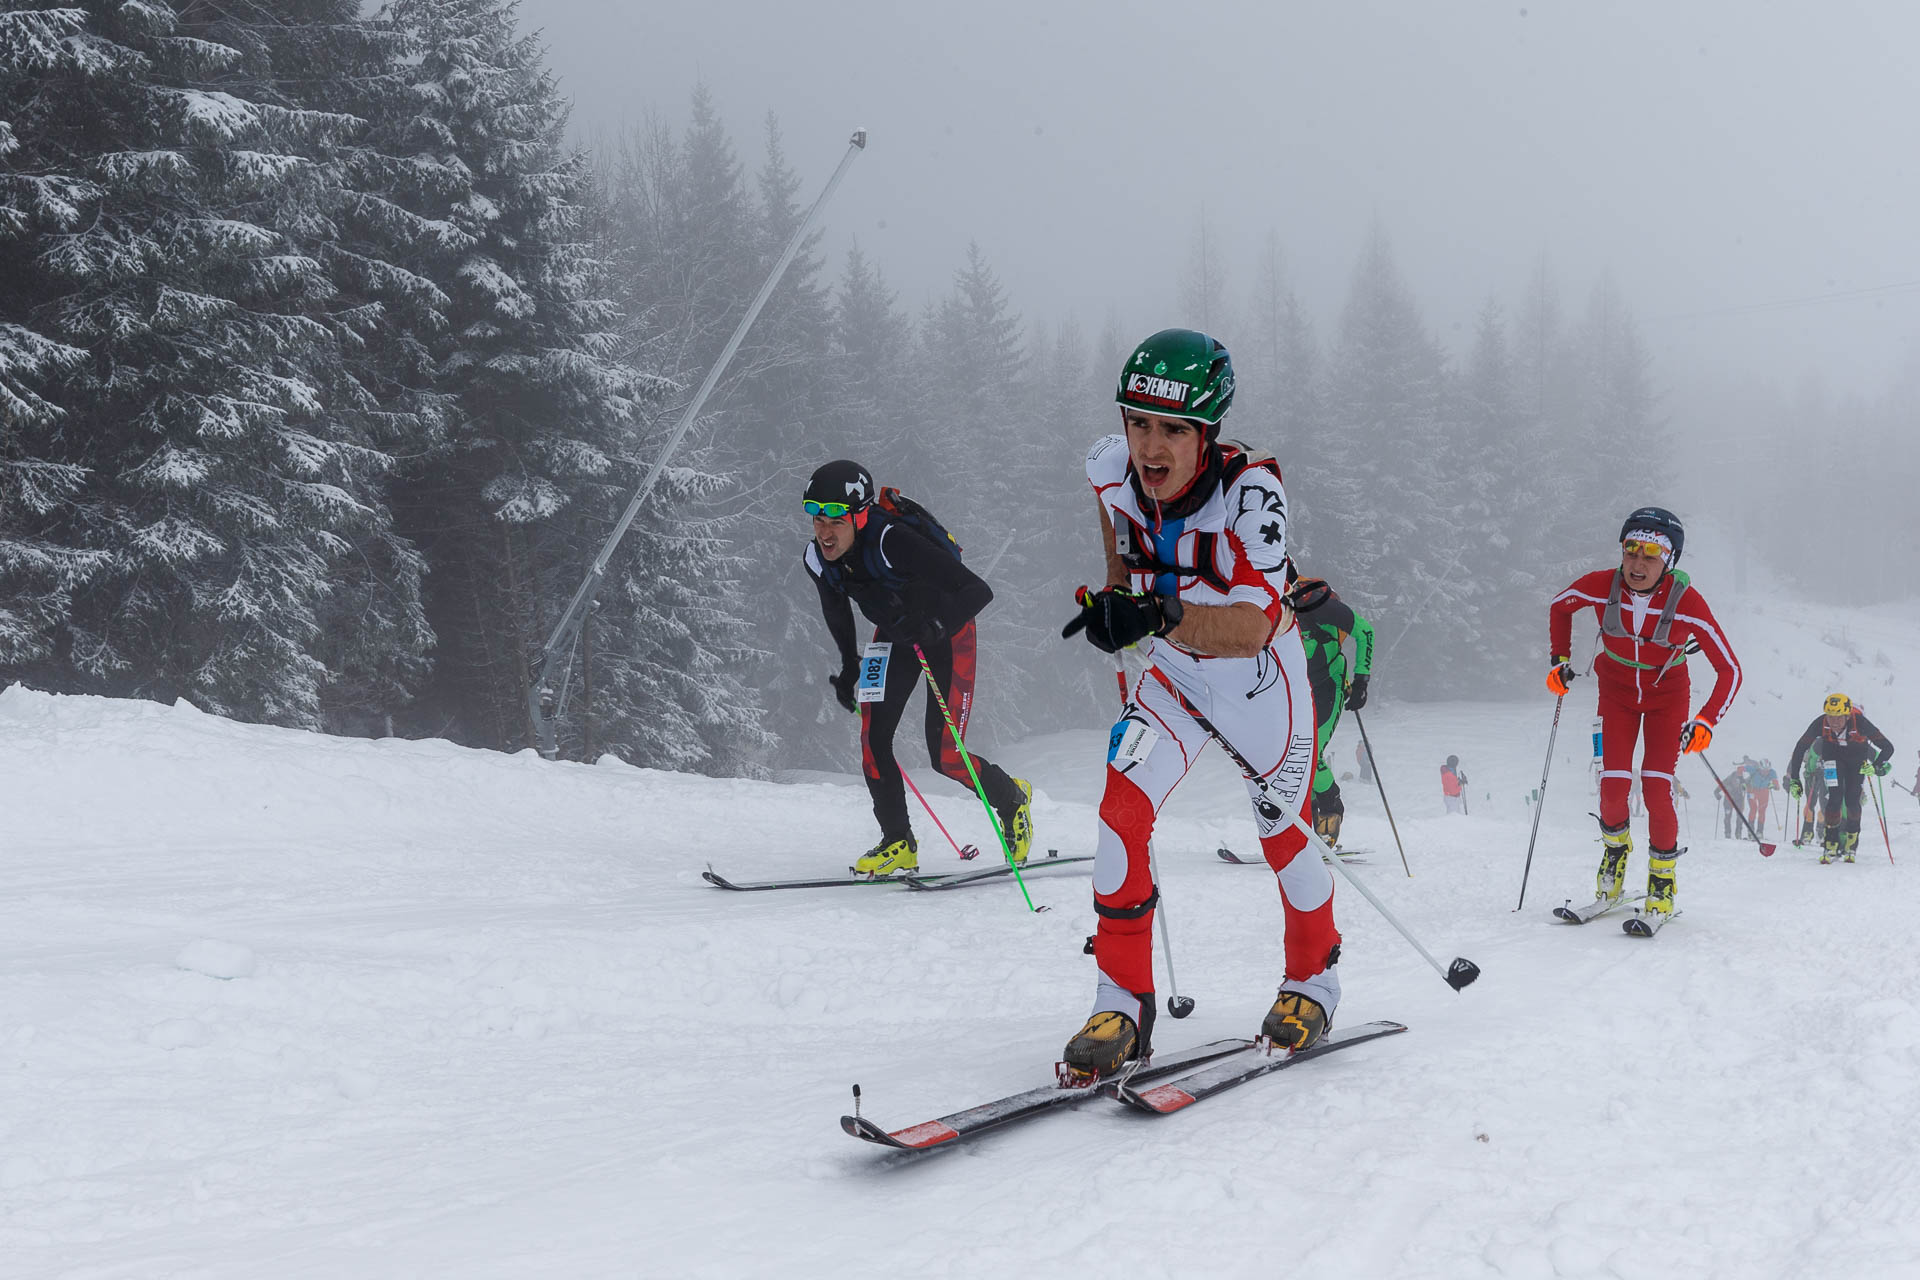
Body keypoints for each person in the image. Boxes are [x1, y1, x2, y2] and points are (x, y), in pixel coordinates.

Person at [1058, 327, 1338, 1079]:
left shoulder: (1252, 496)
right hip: (1174, 678)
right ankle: (1121, 1000)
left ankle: (1312, 980)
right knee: (1121, 811)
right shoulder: (1109, 468)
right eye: (1138, 422)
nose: (1151, 447)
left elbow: (1250, 628)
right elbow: (1120, 546)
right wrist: (1114, 602)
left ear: (1207, 433)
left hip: (1258, 683)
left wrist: (1154, 617)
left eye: (1174, 429)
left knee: (1282, 833)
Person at [802, 460, 1032, 876]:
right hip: (893, 636)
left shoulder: (894, 542)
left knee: (944, 755)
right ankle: (898, 843)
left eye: (835, 519)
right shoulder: (818, 559)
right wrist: (849, 663)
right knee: (873, 740)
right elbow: (836, 610)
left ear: (859, 515)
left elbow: (977, 590)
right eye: (817, 518)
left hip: (949, 633)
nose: (824, 532)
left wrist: (935, 626)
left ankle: (1013, 798)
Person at [1548, 507, 1742, 915]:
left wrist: (1706, 720)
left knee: (1656, 787)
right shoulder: (1602, 585)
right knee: (1612, 787)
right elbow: (1559, 606)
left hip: (1666, 699)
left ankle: (1662, 881)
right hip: (1616, 694)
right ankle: (1615, 856)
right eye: (1630, 551)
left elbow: (1730, 669)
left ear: (1668, 561)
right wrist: (1558, 660)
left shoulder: (1687, 603)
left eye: (1650, 555)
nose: (1637, 564)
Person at [1286, 573, 1375, 847]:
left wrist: (1361, 681)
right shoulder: (1267, 605)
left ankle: (1330, 802)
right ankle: (1307, 829)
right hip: (1296, 691)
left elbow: (1365, 631)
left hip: (1329, 687)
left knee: (1310, 754)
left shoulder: (1317, 604)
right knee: (1291, 759)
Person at [1785, 693, 1893, 864]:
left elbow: (1888, 747)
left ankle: (1851, 843)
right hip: (1832, 759)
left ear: (1848, 715)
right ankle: (1831, 844)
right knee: (1834, 798)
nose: (1834, 722)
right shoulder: (1820, 723)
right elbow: (1800, 748)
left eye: (1838, 718)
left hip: (1856, 762)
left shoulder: (1861, 723)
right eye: (1830, 717)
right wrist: (1795, 778)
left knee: (1852, 799)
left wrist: (1877, 766)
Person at [1742, 758, 1778, 841]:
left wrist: (1774, 786)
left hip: (1764, 791)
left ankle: (1759, 832)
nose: (1765, 772)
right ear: (1759, 768)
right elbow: (1740, 769)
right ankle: (1750, 832)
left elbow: (1777, 785)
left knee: (1762, 811)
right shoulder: (1754, 769)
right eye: (1763, 770)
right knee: (1753, 809)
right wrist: (1741, 780)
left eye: (1767, 770)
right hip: (1752, 790)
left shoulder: (1772, 772)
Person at [1720, 761, 1749, 839]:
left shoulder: (1743, 779)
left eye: (1741, 772)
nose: (1740, 774)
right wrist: (1717, 792)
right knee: (1728, 816)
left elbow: (1748, 786)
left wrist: (1746, 787)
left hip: (1739, 800)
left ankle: (1738, 833)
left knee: (1739, 817)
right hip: (1728, 800)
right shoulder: (1731, 777)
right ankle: (1728, 833)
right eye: (1739, 772)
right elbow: (1722, 784)